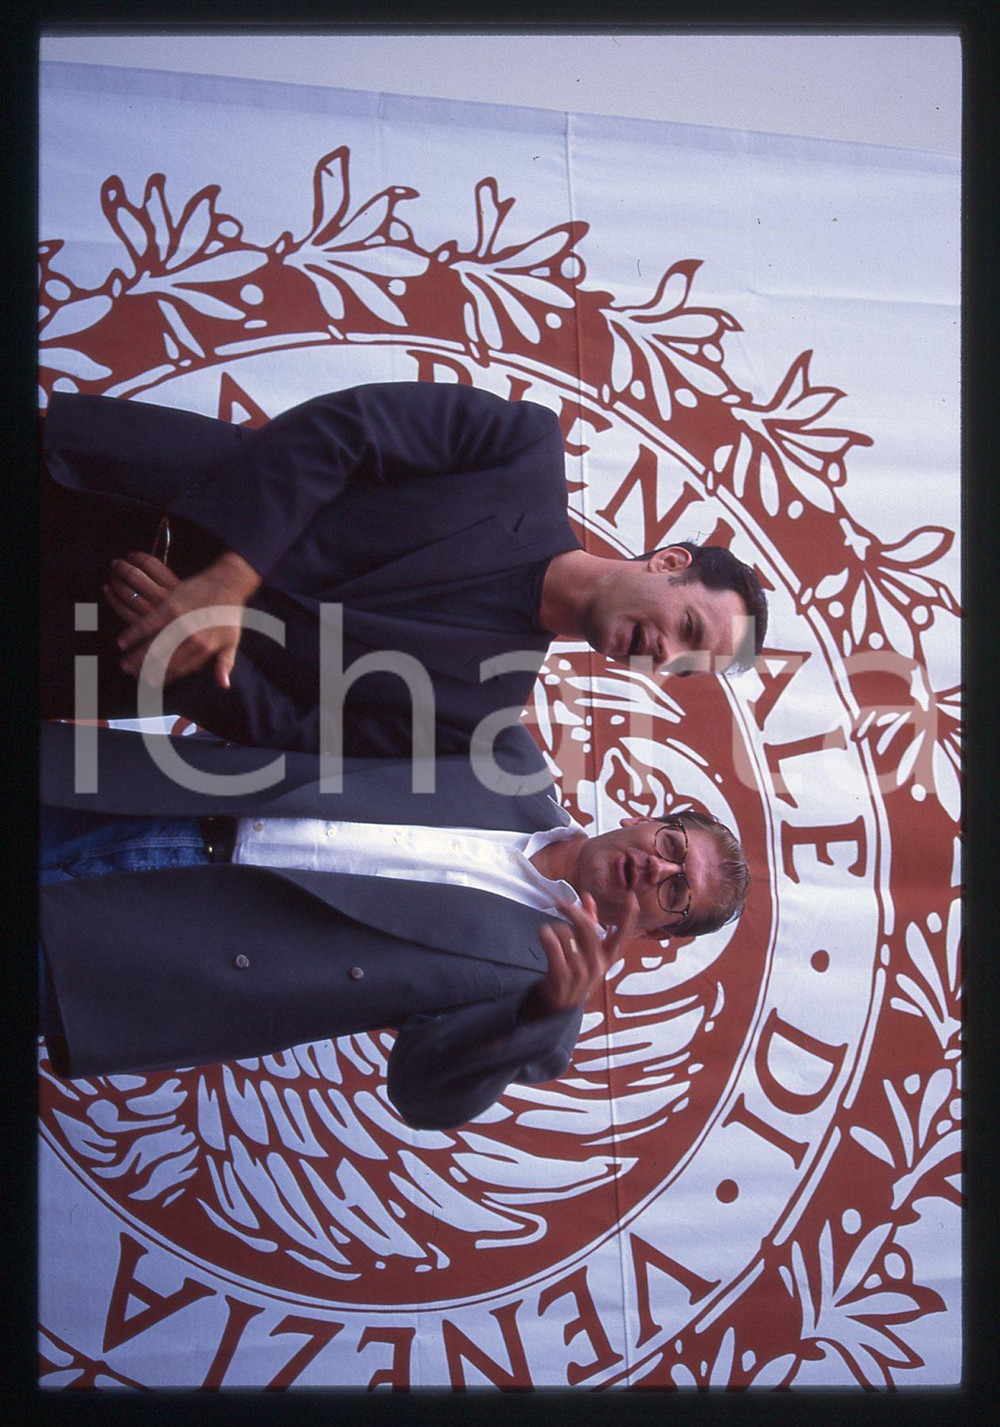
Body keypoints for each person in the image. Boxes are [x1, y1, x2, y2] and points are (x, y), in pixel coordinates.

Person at [39, 721, 750, 1131]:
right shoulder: (513, 758)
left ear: (659, 935)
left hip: (148, 943)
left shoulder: (540, 992)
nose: (659, 870)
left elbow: (420, 1090)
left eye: (678, 893)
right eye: (671, 847)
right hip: (147, 796)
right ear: (649, 819)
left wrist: (544, 1013)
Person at [40, 382, 768, 760]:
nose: (666, 655)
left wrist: (184, 655)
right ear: (669, 561)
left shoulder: (479, 714)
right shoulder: (521, 448)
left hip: (96, 651)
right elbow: (343, 432)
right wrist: (231, 576)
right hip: (110, 494)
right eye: (688, 627)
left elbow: (298, 733)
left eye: (685, 665)